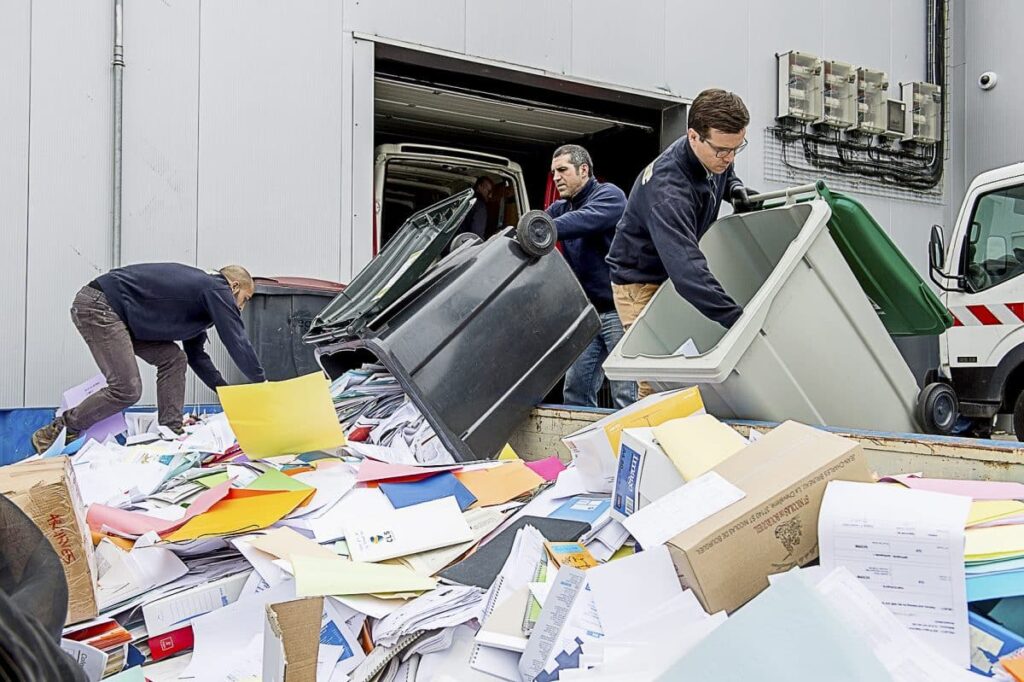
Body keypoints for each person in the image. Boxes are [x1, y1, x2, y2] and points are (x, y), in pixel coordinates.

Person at [607, 89, 760, 398]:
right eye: (723, 150)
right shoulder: (668, 192)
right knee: (657, 381)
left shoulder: (712, 156)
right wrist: (741, 322)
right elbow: (688, 272)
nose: (729, 158)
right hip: (641, 283)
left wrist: (734, 188)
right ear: (693, 136)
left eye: (737, 148)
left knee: (684, 373)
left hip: (672, 273)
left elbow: (725, 171)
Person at [31, 263, 266, 453]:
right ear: (234, 286)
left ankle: (171, 430)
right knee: (126, 389)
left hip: (121, 315)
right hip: (101, 305)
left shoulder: (202, 303)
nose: (241, 308)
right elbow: (235, 338)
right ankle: (58, 430)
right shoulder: (216, 288)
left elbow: (197, 357)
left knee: (174, 359)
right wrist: (261, 383)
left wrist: (226, 393)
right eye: (245, 299)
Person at [547, 144, 635, 408]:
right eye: (553, 172)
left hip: (619, 310)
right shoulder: (560, 209)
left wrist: (540, 227)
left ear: (584, 170)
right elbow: (538, 222)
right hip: (588, 314)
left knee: (625, 394)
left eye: (563, 170)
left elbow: (582, 221)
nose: (556, 177)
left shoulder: (610, 196)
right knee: (576, 391)